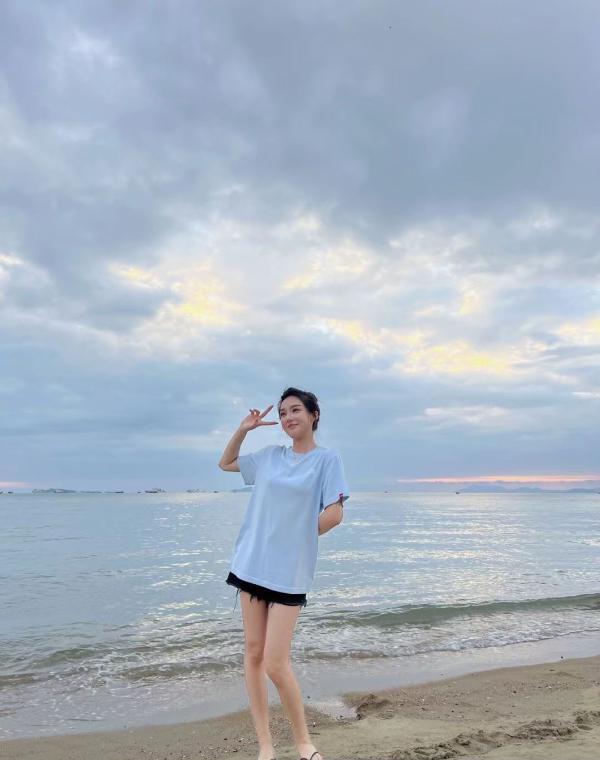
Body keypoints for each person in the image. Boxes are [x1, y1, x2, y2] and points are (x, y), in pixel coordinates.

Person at [218, 387, 350, 760]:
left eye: (295, 410)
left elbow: (334, 514)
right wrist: (243, 430)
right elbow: (226, 463)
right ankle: (265, 746)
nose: (288, 417)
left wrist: (298, 537)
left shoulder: (327, 460)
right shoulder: (270, 457)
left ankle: (304, 743)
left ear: (313, 415)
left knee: (276, 663)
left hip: (290, 571)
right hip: (251, 564)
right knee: (253, 652)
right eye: (283, 412)